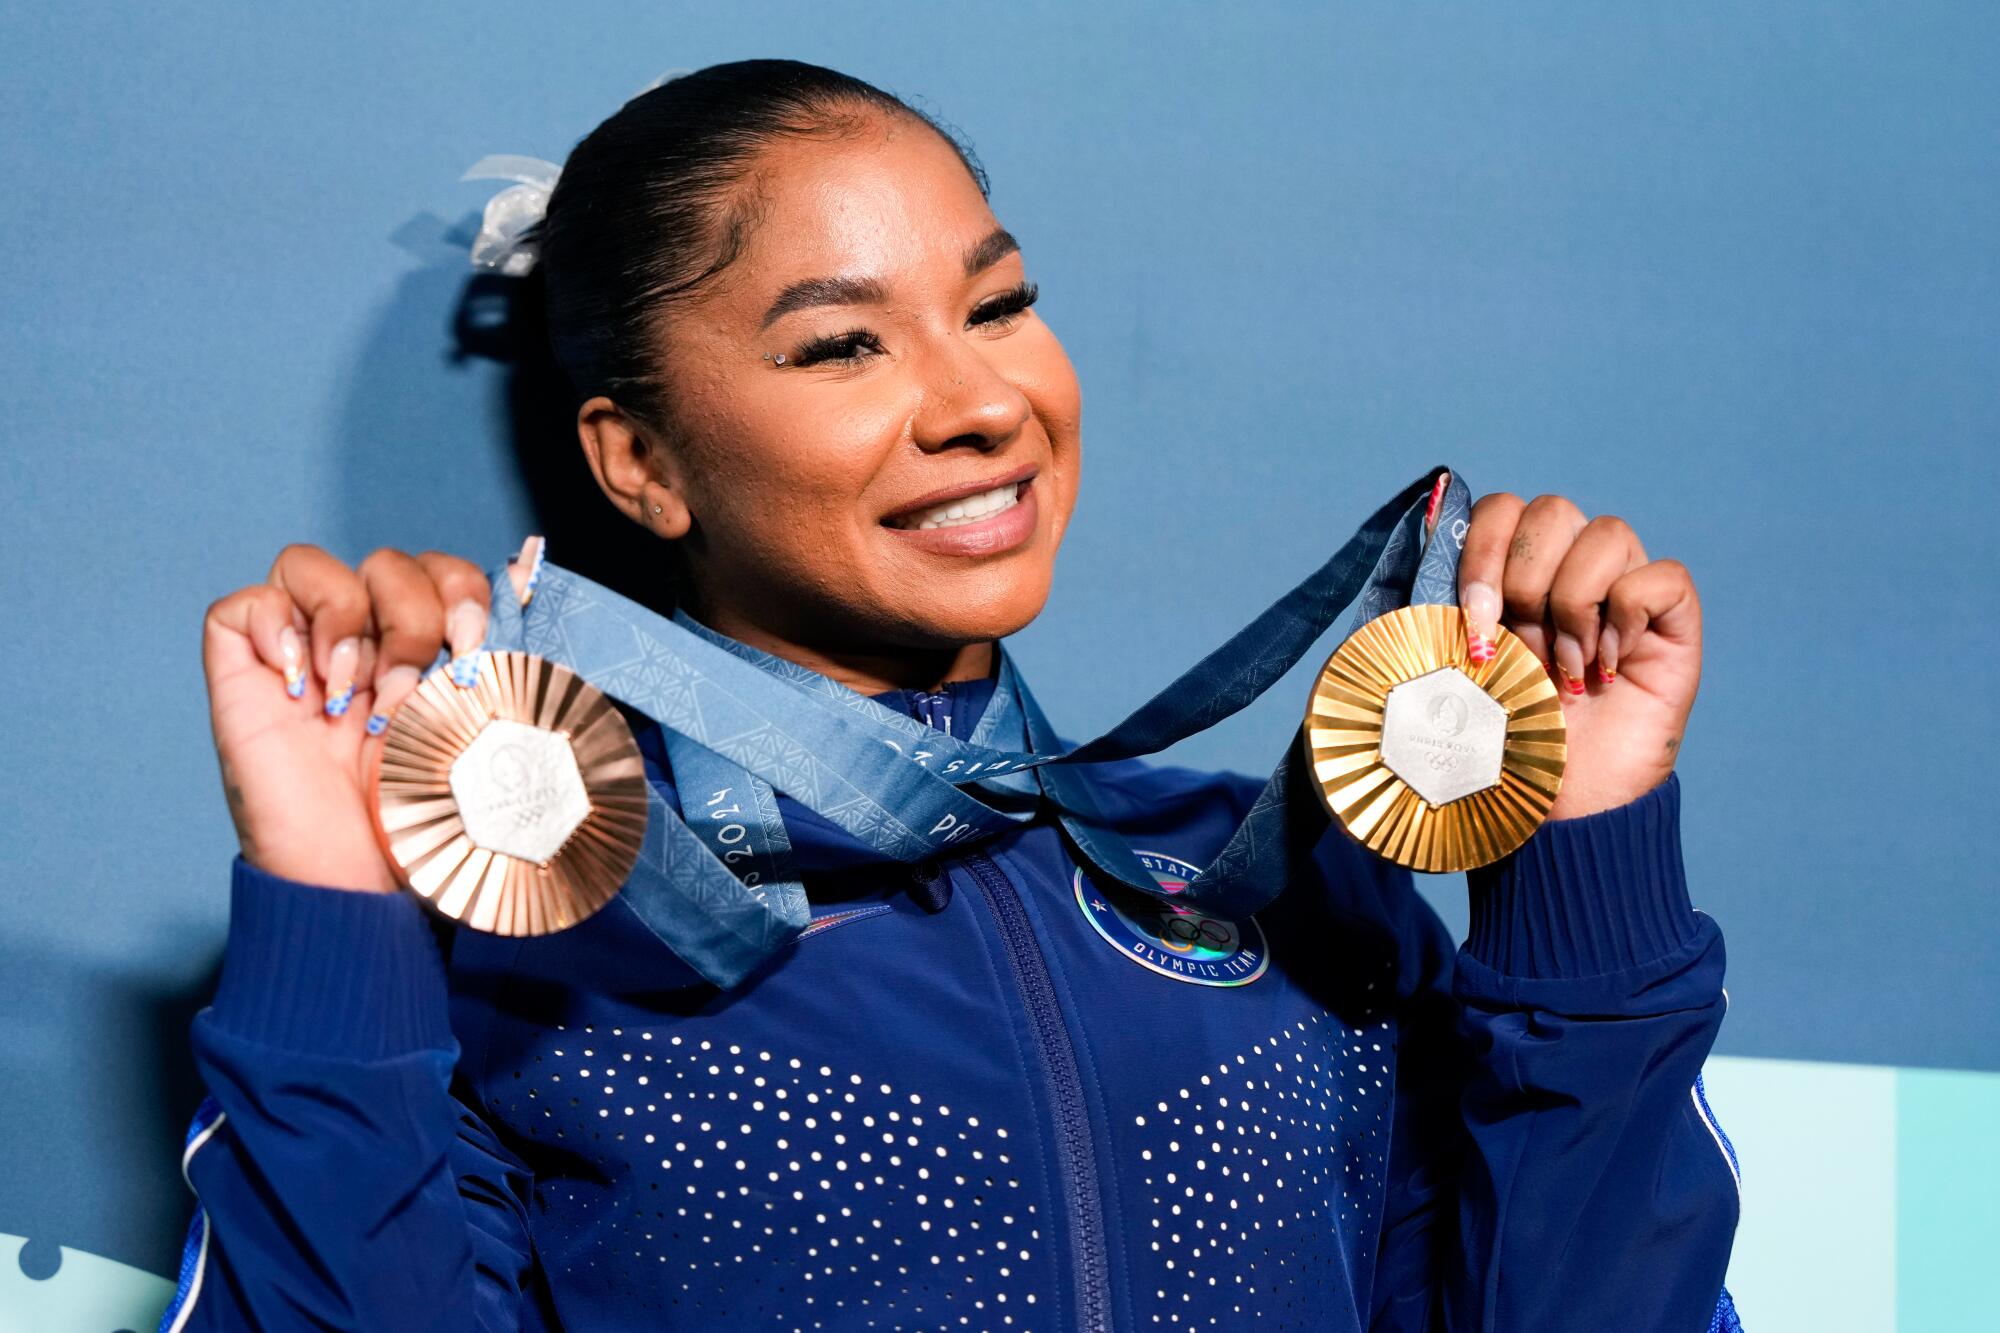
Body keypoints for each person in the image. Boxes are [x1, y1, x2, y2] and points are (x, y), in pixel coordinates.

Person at [167, 58, 1741, 1333]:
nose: (983, 400)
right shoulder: (531, 941)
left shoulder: (1297, 904)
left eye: (996, 305)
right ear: (638, 463)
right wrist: (335, 908)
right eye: (844, 345)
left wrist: (1580, 878)